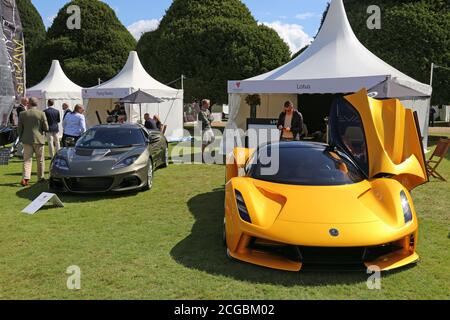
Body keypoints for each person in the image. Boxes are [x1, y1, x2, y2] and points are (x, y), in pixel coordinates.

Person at [17, 97, 49, 186]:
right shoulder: (41, 113)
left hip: (26, 140)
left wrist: (21, 138)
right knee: (40, 160)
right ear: (37, 104)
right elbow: (46, 128)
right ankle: (40, 178)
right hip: (39, 140)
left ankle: (25, 178)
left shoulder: (22, 114)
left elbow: (19, 129)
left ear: (28, 103)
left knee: (27, 160)